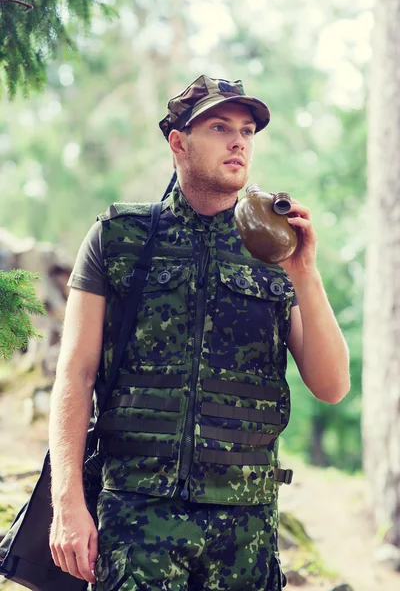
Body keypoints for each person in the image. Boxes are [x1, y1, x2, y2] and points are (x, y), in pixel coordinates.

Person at [49, 75, 350, 590]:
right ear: (178, 142)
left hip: (245, 528)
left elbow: (332, 385)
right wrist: (68, 504)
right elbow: (74, 374)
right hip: (137, 519)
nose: (239, 141)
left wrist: (305, 271)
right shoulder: (120, 237)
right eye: (219, 127)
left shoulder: (275, 251)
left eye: (248, 130)